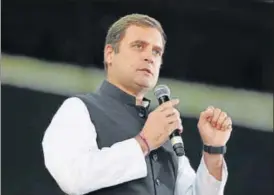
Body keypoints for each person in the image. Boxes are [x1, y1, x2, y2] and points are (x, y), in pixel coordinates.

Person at [42, 14, 232, 195]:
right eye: (139, 46)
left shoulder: (163, 132)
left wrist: (213, 151)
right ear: (110, 54)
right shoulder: (79, 109)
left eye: (156, 52)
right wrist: (144, 142)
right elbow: (73, 177)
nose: (150, 57)